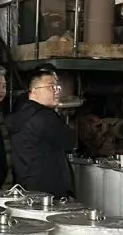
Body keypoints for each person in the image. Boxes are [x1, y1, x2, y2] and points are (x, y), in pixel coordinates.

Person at [7, 67, 75, 196]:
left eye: (57, 87)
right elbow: (70, 142)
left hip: (26, 187)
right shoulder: (45, 117)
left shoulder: (20, 114)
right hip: (49, 192)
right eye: (51, 87)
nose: (56, 91)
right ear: (34, 92)